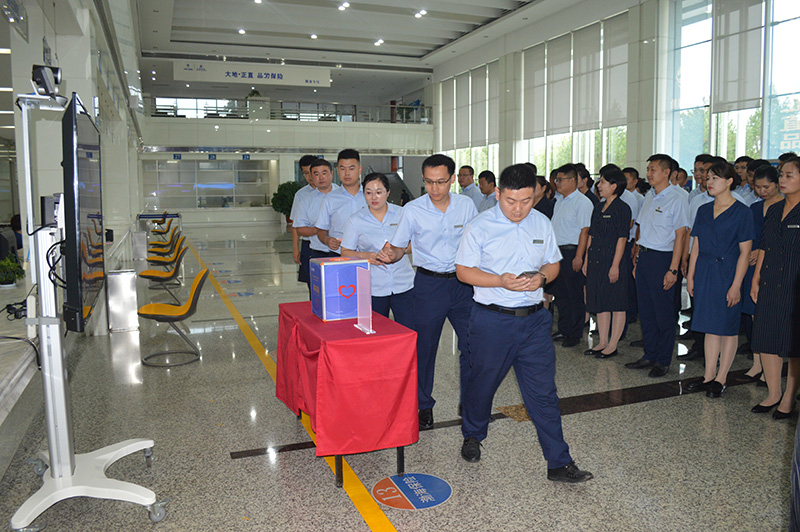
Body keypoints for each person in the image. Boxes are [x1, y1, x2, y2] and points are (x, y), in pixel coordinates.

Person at [455, 163, 593, 483]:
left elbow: (552, 263)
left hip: (533, 323)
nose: (518, 209)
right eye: (511, 201)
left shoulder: (541, 222)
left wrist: (543, 276)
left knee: (543, 394)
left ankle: (559, 462)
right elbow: (464, 271)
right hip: (492, 321)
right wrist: (499, 280)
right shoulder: (479, 225)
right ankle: (473, 434)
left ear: (536, 194)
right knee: (481, 384)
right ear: (500, 194)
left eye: (526, 201)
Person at [376, 154, 478, 430]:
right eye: (429, 182)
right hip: (428, 285)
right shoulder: (413, 209)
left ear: (452, 179)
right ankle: (423, 405)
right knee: (424, 348)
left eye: (441, 182)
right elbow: (398, 247)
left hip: (462, 285)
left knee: (473, 345)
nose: (435, 188)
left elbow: (478, 242)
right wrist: (391, 254)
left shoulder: (466, 206)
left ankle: (470, 401)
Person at [684, 161, 754, 398]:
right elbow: (697, 245)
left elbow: (745, 253)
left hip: (727, 273)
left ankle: (722, 378)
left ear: (729, 181)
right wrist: (690, 276)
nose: (709, 181)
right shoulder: (704, 209)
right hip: (704, 271)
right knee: (708, 326)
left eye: (715, 178)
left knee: (727, 327)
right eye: (708, 177)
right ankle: (708, 375)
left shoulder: (742, 211)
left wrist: (736, 285)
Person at [625, 154, 689, 377]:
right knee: (647, 311)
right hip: (645, 258)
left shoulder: (678, 199)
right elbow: (642, 228)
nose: (649, 174)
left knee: (663, 313)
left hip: (663, 259)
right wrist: (636, 256)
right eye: (648, 169)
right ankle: (649, 354)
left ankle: (663, 360)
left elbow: (681, 236)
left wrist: (673, 269)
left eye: (653, 169)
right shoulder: (650, 196)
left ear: (666, 173)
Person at [750, 156, 800, 419]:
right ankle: (773, 393)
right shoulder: (772, 210)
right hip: (769, 281)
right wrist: (756, 279)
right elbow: (764, 248)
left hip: (794, 284)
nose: (782, 179)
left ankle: (789, 398)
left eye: (789, 175)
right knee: (767, 337)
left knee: (792, 344)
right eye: (781, 174)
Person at [340, 173, 414, 328]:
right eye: (368, 192)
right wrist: (367, 256)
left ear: (388, 192)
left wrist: (397, 252)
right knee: (377, 331)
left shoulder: (402, 214)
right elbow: (345, 251)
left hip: (404, 284)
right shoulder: (355, 220)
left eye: (379, 192)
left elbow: (416, 244)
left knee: (409, 329)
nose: (374, 197)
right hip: (373, 286)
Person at [740, 164, 782, 382]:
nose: (762, 191)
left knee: (770, 320)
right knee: (756, 317)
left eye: (766, 187)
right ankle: (758, 363)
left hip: (774, 267)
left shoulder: (786, 207)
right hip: (752, 267)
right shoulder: (755, 208)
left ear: (777, 184)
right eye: (758, 187)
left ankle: (771, 368)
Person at [583, 169, 631, 358]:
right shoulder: (598, 207)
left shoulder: (622, 208)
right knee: (601, 301)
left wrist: (615, 265)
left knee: (617, 302)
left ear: (614, 186)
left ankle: (613, 344)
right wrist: (587, 259)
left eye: (602, 182)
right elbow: (591, 235)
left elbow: (622, 238)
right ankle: (602, 341)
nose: (599, 185)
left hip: (613, 260)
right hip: (596, 259)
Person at [550, 163, 593, 348]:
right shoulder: (559, 200)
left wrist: (579, 256)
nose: (557, 183)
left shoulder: (582, 202)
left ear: (572, 181)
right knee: (561, 295)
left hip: (572, 252)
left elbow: (585, 231)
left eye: (560, 180)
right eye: (556, 179)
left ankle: (575, 333)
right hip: (558, 253)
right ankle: (564, 329)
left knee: (574, 295)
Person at [293, 159, 339, 296]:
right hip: (317, 252)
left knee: (339, 291)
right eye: (316, 174)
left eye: (324, 173)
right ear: (312, 177)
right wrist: (319, 229)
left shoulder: (342, 195)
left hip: (340, 253)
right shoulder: (306, 199)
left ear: (331, 173)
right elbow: (299, 228)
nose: (321, 177)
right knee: (317, 293)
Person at [315, 149, 367, 254]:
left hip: (367, 254)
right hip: (338, 254)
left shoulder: (370, 196)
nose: (347, 173)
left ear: (360, 169)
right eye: (342, 169)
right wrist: (327, 240)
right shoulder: (329, 199)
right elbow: (321, 230)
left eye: (351, 168)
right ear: (338, 170)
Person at [289, 154, 318, 288]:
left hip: (331, 245)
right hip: (308, 244)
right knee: (313, 285)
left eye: (312, 172)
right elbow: (295, 224)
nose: (310, 177)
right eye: (306, 173)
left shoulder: (335, 191)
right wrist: (296, 249)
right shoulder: (301, 195)